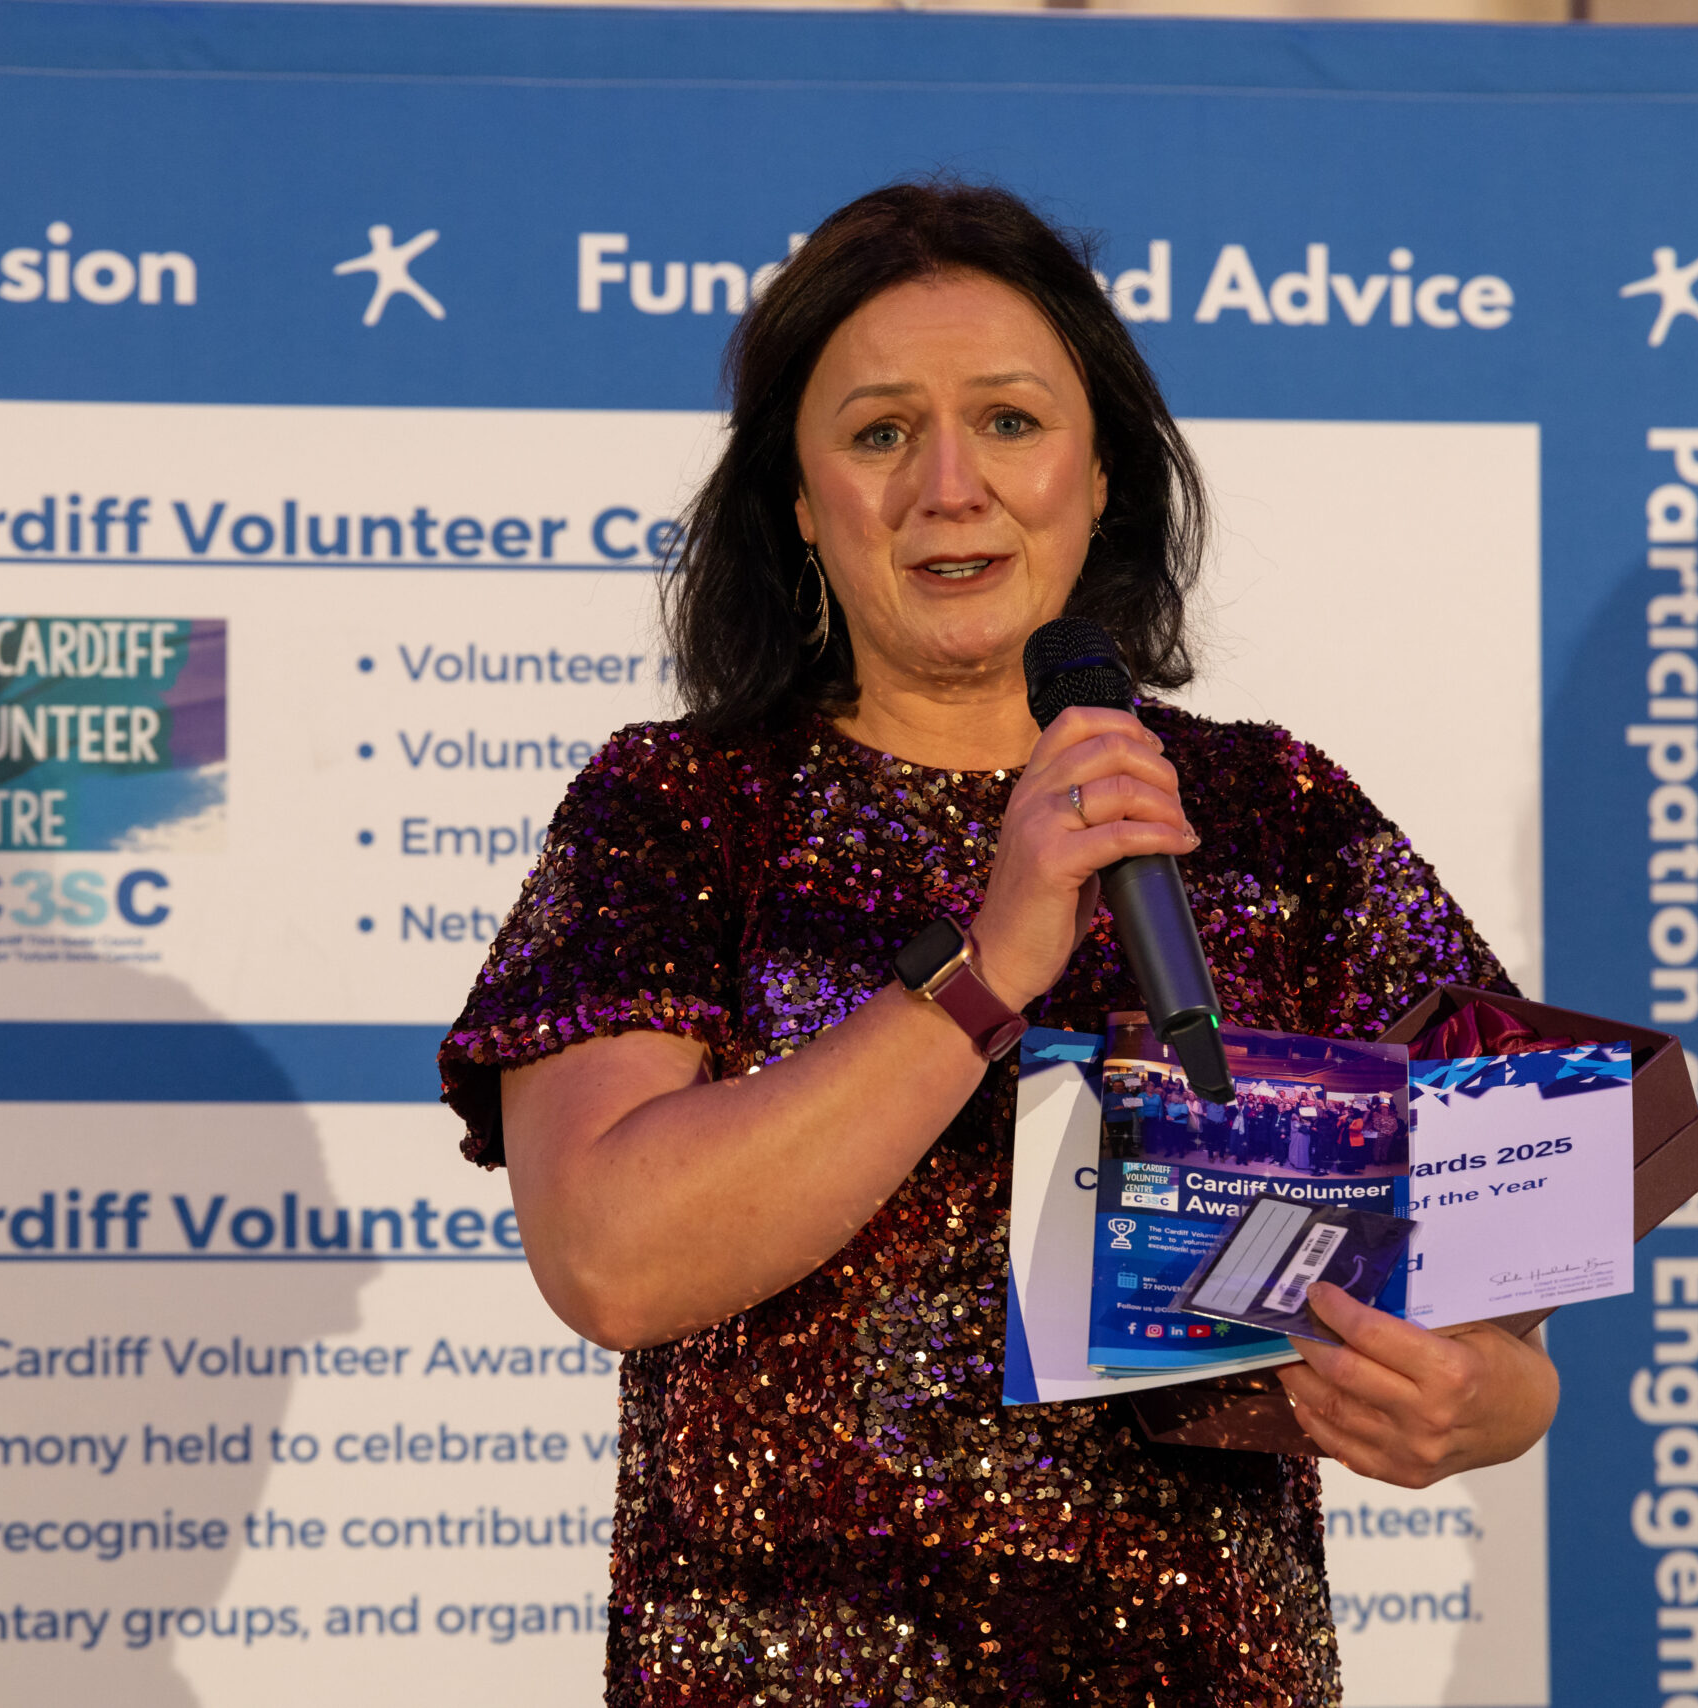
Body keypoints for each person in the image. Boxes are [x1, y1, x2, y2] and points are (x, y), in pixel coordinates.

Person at [438, 179, 1557, 1707]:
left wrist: (1490, 1398)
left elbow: (1516, 1241)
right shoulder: (679, 807)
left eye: (1011, 422)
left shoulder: (1273, 811)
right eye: (881, 433)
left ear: (1101, 475)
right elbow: (611, 1261)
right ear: (797, 500)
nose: (949, 485)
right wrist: (989, 965)